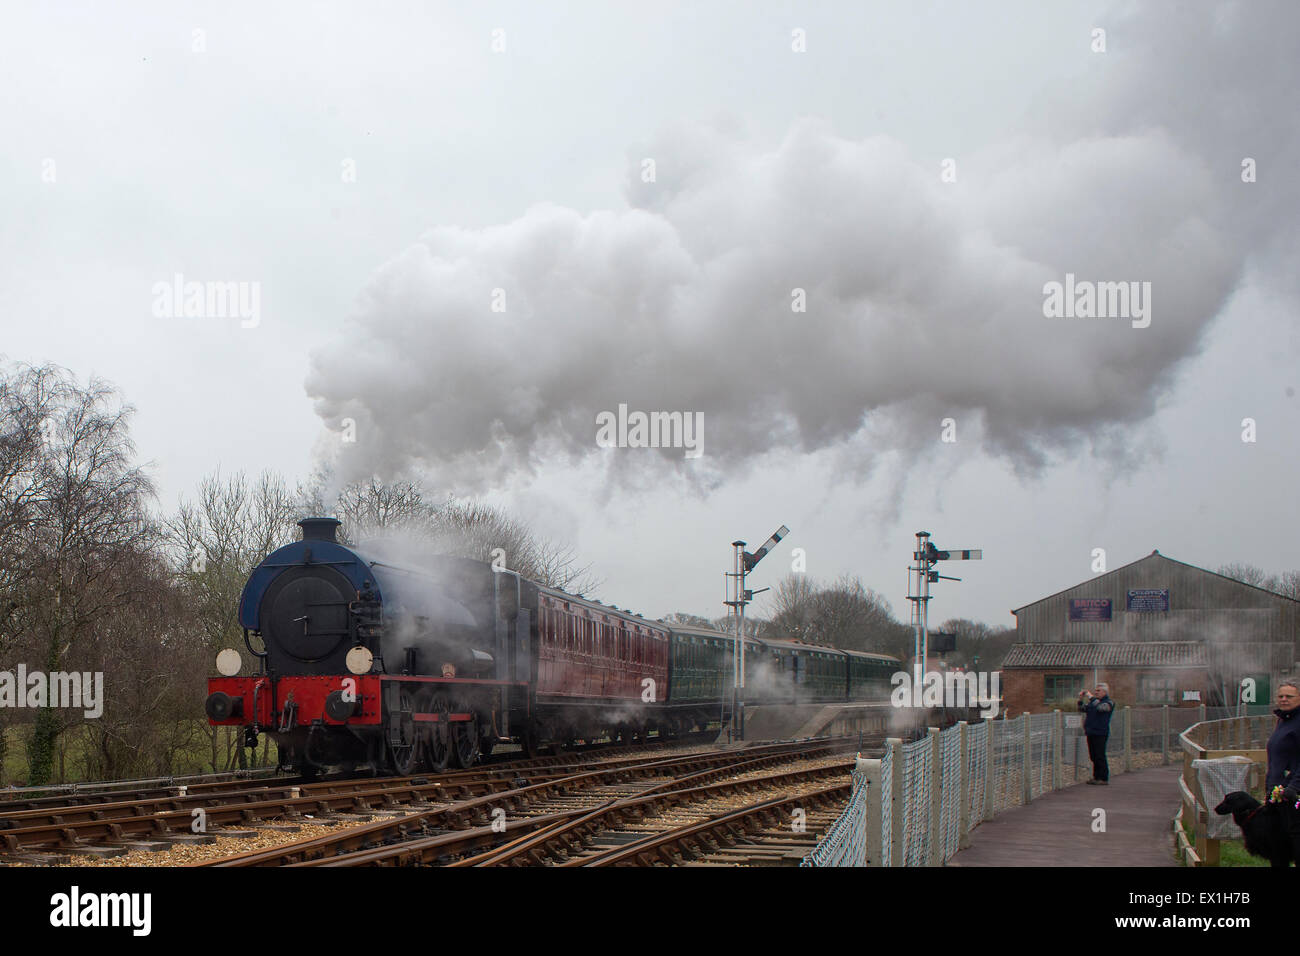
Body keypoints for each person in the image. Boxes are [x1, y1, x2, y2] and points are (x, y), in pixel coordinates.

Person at [1077, 682, 1115, 785]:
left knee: (1100, 755)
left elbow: (1100, 708)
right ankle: (1096, 777)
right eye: (1095, 690)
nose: (1096, 692)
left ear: (1104, 692)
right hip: (1091, 732)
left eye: (1098, 690)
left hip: (1101, 732)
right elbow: (1082, 709)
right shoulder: (1093, 702)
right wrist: (1080, 700)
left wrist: (1090, 697)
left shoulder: (1108, 703)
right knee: (1093, 756)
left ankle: (1103, 778)